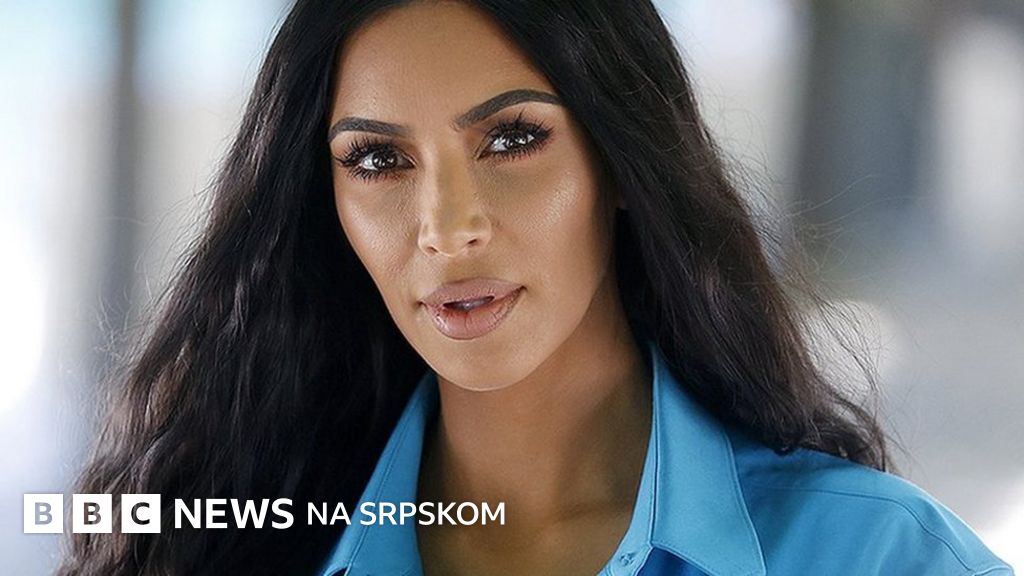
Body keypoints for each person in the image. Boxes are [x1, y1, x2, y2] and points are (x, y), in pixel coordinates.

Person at [59, 1, 1013, 575]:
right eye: (379, 159)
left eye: (511, 139)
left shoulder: (875, 557)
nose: (448, 227)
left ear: (624, 162)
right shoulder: (230, 548)